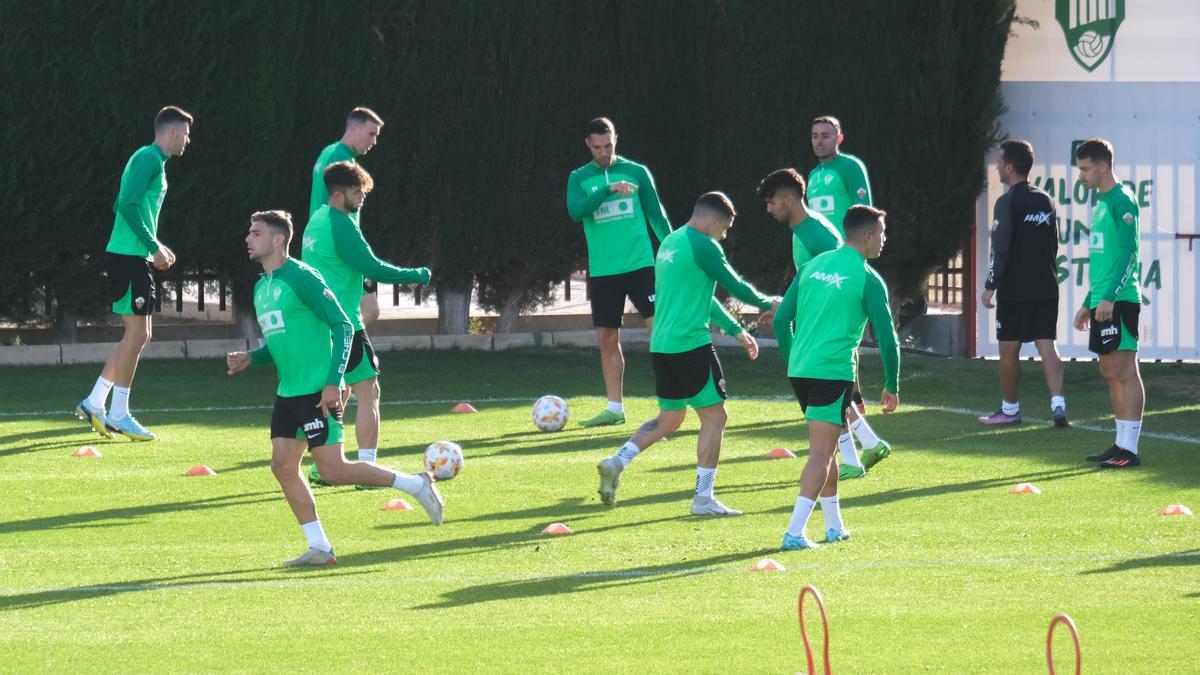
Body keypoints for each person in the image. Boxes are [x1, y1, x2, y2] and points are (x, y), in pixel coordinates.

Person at [227, 210, 443, 566]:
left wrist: (333, 381)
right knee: (282, 466)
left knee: (333, 470)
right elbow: (283, 342)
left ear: (278, 240)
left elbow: (343, 325)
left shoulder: (302, 277)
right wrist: (253, 358)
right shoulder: (261, 287)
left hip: (316, 392)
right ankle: (320, 549)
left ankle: (416, 485)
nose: (248, 239)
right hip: (288, 394)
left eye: (256, 232)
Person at [595, 192, 779, 516]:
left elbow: (704, 297)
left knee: (670, 418)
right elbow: (735, 285)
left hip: (663, 346)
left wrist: (736, 330)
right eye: (724, 229)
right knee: (715, 417)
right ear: (712, 220)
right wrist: (769, 302)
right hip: (690, 344)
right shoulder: (703, 245)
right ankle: (703, 499)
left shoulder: (671, 243)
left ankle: (617, 460)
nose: (723, 236)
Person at [302, 162, 431, 486]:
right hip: (344, 322)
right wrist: (416, 275)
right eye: (357, 191)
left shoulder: (315, 221)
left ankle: (324, 464)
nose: (362, 197)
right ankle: (366, 470)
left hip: (318, 322)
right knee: (368, 391)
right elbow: (373, 266)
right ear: (338, 193)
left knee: (332, 394)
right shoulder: (340, 224)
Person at [780, 205, 900, 551]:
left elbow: (780, 320)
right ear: (867, 236)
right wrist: (892, 385)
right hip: (832, 373)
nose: (884, 239)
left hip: (801, 371)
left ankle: (834, 527)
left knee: (829, 449)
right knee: (820, 453)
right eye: (882, 233)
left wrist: (795, 358)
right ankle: (794, 532)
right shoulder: (867, 277)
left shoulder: (811, 266)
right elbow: (888, 338)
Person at [75, 106, 192, 441]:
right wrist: (153, 246)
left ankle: (95, 402)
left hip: (132, 256)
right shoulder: (150, 159)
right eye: (185, 133)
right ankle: (118, 413)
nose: (187, 140)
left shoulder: (151, 160)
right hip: (128, 257)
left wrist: (154, 245)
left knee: (139, 335)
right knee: (137, 334)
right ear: (171, 132)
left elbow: (134, 207)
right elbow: (125, 204)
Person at [758, 169, 872, 479]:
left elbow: (839, 279)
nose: (769, 210)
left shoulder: (816, 234)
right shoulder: (803, 230)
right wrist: (788, 305)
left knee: (825, 397)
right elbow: (810, 283)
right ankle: (854, 456)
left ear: (787, 199)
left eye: (771, 203)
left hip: (824, 335)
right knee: (826, 402)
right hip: (818, 333)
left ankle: (858, 451)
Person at [566, 117, 673, 427]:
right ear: (588, 144)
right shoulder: (579, 178)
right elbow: (576, 211)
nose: (604, 152)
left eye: (608, 145)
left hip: (641, 264)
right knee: (607, 339)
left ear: (616, 140)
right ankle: (614, 408)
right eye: (597, 147)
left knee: (661, 333)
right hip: (603, 271)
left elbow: (657, 216)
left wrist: (674, 249)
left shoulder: (636, 172)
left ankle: (672, 402)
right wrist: (608, 190)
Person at [979, 140, 1067, 428]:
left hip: (1015, 290)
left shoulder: (1006, 202)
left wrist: (990, 284)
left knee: (1008, 351)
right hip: (1046, 286)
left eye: (1000, 162)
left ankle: (1010, 409)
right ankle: (1058, 404)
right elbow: (1053, 245)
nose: (997, 166)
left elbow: (999, 249)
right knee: (1047, 345)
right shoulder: (1045, 200)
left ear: (1010, 167)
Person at [1072, 138, 1145, 468]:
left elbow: (1130, 253)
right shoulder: (1102, 202)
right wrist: (1089, 302)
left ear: (1103, 166)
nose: (1081, 176)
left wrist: (1110, 297)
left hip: (1121, 300)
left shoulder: (1122, 200)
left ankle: (1130, 449)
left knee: (1126, 370)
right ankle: (1119, 443)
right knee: (1108, 370)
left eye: (1085, 169)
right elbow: (1103, 260)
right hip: (1102, 300)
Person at [310, 108, 386, 328]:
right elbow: (333, 209)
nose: (374, 141)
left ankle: (339, 357)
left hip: (332, 246)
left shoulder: (329, 152)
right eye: (371, 134)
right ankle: (336, 358)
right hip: (337, 250)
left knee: (366, 310)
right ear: (353, 128)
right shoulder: (342, 160)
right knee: (359, 313)